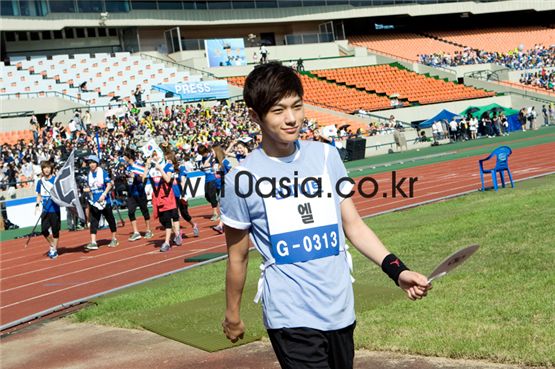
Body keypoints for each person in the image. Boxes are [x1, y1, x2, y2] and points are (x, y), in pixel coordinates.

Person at [220, 62, 431, 369]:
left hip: (340, 310)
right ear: (255, 116)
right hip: (290, 316)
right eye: (278, 110)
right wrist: (232, 313)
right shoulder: (241, 178)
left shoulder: (326, 157)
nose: (291, 118)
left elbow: (353, 225)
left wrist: (397, 270)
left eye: (297, 106)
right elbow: (237, 256)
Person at [144, 149, 181, 252]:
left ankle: (167, 242)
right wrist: (147, 166)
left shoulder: (168, 166)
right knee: (162, 220)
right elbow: (143, 178)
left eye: (156, 155)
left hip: (167, 197)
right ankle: (176, 233)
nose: (155, 157)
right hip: (157, 197)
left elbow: (168, 179)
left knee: (169, 218)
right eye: (153, 156)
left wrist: (160, 169)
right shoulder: (152, 169)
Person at [84, 155, 119, 251]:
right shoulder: (89, 175)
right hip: (94, 202)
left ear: (96, 163)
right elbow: (91, 187)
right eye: (90, 163)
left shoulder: (102, 172)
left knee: (110, 218)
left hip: (104, 201)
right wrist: (88, 190)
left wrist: (104, 194)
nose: (91, 165)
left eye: (93, 162)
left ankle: (114, 238)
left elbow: (109, 184)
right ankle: (93, 242)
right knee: (94, 221)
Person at [123, 149, 153, 241]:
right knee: (130, 212)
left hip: (139, 192)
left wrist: (135, 177)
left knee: (144, 211)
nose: (124, 158)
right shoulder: (127, 167)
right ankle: (136, 232)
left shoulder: (138, 166)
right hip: (131, 193)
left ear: (129, 157)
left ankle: (148, 230)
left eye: (125, 156)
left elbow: (144, 178)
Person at [35, 160, 61, 259]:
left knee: (55, 231)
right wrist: (37, 204)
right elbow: (39, 194)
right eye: (44, 168)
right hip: (45, 209)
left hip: (55, 210)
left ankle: (54, 250)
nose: (46, 170)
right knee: (44, 230)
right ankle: (53, 246)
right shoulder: (40, 182)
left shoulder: (55, 180)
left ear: (51, 169)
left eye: (48, 168)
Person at [197, 145, 220, 222]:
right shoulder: (203, 158)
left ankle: (215, 213)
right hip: (206, 179)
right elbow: (203, 167)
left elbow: (209, 164)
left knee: (211, 195)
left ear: (205, 151)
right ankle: (216, 203)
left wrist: (208, 162)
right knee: (207, 196)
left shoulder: (211, 156)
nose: (202, 155)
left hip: (212, 178)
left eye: (202, 153)